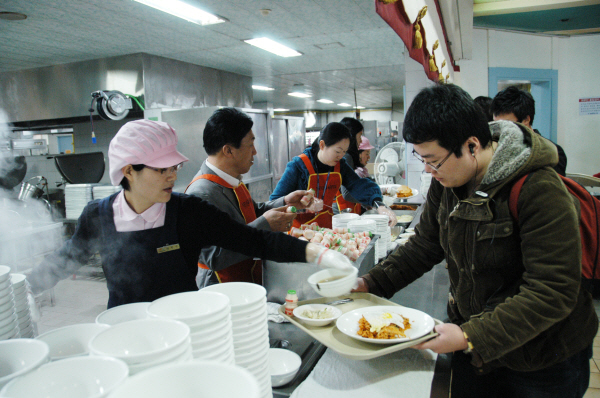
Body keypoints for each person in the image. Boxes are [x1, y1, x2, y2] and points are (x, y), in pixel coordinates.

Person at [353, 84, 598, 398]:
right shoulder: (448, 180)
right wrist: (371, 283)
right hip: (481, 348)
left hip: (541, 359)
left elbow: (553, 290)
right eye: (421, 159)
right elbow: (425, 244)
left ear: (471, 145)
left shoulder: (538, 187)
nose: (428, 170)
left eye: (434, 161)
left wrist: (469, 334)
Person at [26, 120, 354, 309]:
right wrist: (20, 290)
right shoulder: (98, 216)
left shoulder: (188, 211)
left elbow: (254, 241)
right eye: (162, 169)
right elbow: (66, 258)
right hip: (124, 328)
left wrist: (318, 254)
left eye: (174, 167)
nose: (172, 176)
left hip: (185, 323)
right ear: (129, 170)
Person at [185, 108, 313, 287]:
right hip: (224, 287)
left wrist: (284, 202)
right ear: (228, 151)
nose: (255, 152)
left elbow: (252, 212)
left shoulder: (231, 180)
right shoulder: (201, 193)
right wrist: (265, 224)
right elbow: (213, 257)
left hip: (248, 275)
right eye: (250, 145)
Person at [270, 122, 396, 228]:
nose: (341, 156)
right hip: (300, 233)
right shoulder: (298, 166)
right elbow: (275, 202)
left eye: (344, 152)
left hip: (327, 230)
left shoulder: (340, 165)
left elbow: (358, 185)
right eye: (337, 151)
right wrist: (304, 207)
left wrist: (379, 205)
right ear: (322, 145)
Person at [491, 86, 567, 176]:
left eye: (506, 124)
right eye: (496, 124)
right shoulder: (496, 148)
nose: (501, 131)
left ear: (526, 120)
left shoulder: (553, 153)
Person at [334, 117, 364, 214]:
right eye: (359, 136)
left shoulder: (341, 155)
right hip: (339, 209)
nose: (361, 141)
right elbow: (347, 194)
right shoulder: (346, 157)